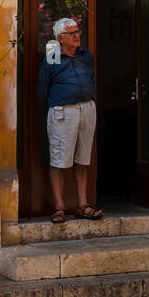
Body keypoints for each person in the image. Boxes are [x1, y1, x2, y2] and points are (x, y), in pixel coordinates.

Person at [37, 17, 101, 223]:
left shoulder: (86, 55)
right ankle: (59, 206)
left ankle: (82, 204)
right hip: (62, 112)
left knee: (82, 159)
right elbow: (43, 89)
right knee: (58, 160)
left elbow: (92, 79)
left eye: (77, 31)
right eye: (72, 33)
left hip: (87, 109)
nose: (77, 35)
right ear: (60, 38)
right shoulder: (52, 59)